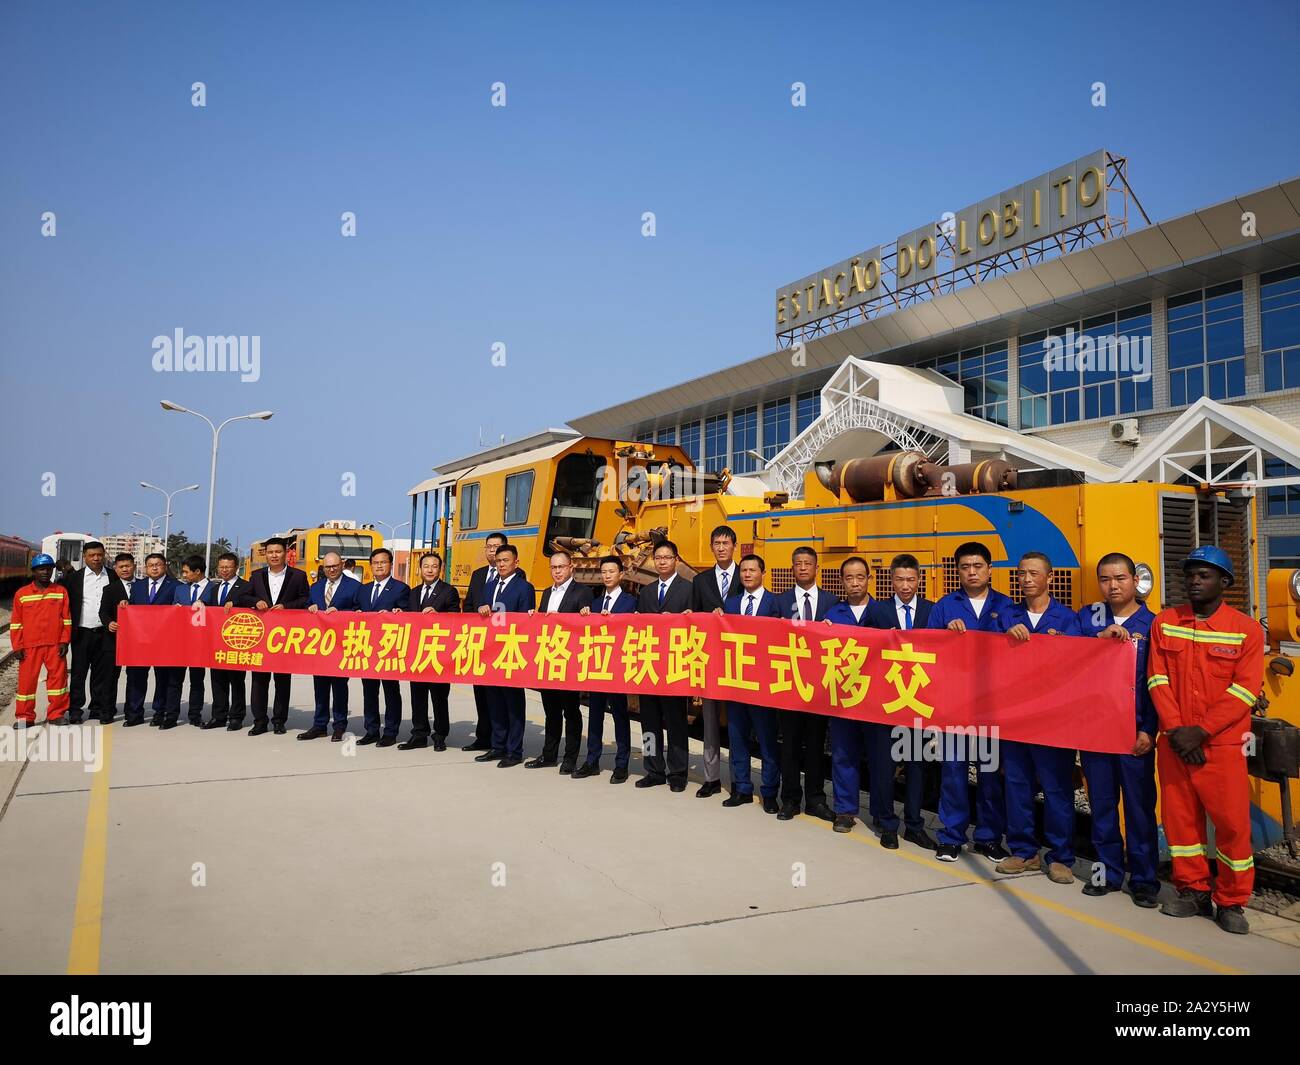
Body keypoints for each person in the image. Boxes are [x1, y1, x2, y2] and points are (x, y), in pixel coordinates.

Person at [1147, 546, 1263, 935]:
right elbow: (1157, 679)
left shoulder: (1246, 629)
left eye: (1205, 575)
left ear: (1225, 583)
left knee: (1231, 826)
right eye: (1191, 575)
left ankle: (1231, 902)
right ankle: (1193, 890)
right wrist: (1179, 730)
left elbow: (1245, 690)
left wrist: (1202, 731)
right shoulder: (1165, 622)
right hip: (1176, 742)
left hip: (1221, 746)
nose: (1195, 581)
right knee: (1181, 824)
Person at [1076, 552, 1159, 908]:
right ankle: (1107, 873)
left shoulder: (1153, 624)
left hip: (1134, 733)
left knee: (1139, 809)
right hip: (1097, 731)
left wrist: (1149, 730)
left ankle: (1144, 880)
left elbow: (1158, 684)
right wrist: (1099, 638)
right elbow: (1067, 659)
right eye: (1106, 580)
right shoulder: (1086, 618)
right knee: (1102, 805)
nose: (1113, 586)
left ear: (1134, 581)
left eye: (1120, 578)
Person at [926, 541, 1016, 863]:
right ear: (957, 571)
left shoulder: (1008, 607)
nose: (972, 572)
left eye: (978, 566)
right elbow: (927, 654)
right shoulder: (944, 607)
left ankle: (989, 838)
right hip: (955, 705)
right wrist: (943, 634)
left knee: (990, 775)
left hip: (992, 706)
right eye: (965, 567)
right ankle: (951, 837)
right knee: (953, 772)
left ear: (990, 569)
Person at [994, 552, 1080, 884]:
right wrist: (1005, 635)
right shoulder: (1006, 617)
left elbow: (1081, 663)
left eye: (1033, 573)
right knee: (1017, 785)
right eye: (1021, 574)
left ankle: (1061, 857)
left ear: (1050, 577)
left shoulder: (1068, 619)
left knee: (1057, 787)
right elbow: (984, 653)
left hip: (1052, 721)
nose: (1026, 579)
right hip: (1015, 718)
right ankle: (1023, 851)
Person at [858, 553, 938, 850]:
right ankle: (886, 822)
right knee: (884, 765)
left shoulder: (932, 612)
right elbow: (859, 644)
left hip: (919, 701)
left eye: (911, 579)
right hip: (886, 702)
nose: (905, 586)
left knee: (918, 765)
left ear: (919, 579)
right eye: (900, 580)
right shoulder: (877, 611)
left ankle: (914, 825)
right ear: (890, 580)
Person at [774, 546, 837, 821]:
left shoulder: (832, 602)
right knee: (789, 744)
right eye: (797, 563)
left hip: (820, 687)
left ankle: (815, 799)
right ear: (792, 569)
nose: (802, 568)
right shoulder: (780, 602)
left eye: (807, 563)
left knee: (815, 746)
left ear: (816, 568)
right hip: (789, 685)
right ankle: (789, 799)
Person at [720, 554, 782, 813]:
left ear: (762, 573)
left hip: (763, 686)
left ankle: (769, 792)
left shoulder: (774, 603)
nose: (746, 574)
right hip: (736, 683)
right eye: (743, 570)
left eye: (752, 570)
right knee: (737, 738)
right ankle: (741, 788)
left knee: (767, 741)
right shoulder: (731, 604)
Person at [635, 539, 694, 791]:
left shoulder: (688, 590)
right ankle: (653, 768)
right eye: (658, 558)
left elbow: (696, 625)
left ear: (676, 561)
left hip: (674, 666)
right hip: (649, 666)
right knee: (648, 723)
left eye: (667, 558)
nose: (661, 562)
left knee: (676, 721)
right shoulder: (646, 592)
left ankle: (678, 772)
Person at [527, 550, 592, 772]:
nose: (557, 571)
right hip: (548, 659)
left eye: (561, 567)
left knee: (571, 712)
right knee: (551, 711)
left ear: (571, 567)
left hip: (569, 661)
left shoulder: (582, 592)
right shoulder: (546, 593)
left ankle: (570, 758)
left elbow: (586, 626)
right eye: (553, 567)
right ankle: (549, 755)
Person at [237, 537, 309, 735]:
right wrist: (256, 601)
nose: (274, 555)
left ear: (286, 553)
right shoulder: (257, 575)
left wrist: (287, 606)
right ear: (265, 554)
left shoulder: (298, 576)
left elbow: (305, 599)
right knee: (259, 681)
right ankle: (259, 721)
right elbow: (242, 597)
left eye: (278, 552)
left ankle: (279, 721)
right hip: (261, 637)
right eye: (270, 552)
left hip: (284, 638)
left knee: (282, 681)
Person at [690, 525, 742, 798]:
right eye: (716, 543)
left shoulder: (746, 577)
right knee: (709, 722)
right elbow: (696, 618)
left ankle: (739, 781)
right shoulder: (701, 581)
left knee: (736, 723)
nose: (721, 547)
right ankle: (711, 778)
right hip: (710, 660)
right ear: (711, 547)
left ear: (734, 545)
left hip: (738, 661)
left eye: (725, 543)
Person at [575, 555, 637, 782]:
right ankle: (592, 760)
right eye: (604, 571)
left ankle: (622, 764)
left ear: (621, 575)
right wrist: (585, 616)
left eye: (612, 571)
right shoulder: (594, 602)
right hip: (597, 665)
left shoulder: (630, 602)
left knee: (620, 714)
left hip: (617, 667)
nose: (608, 575)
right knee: (595, 714)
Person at [826, 556, 876, 835]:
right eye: (849, 578)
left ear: (870, 579)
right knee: (843, 754)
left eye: (860, 577)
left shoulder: (883, 614)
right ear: (842, 581)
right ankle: (845, 810)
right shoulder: (833, 615)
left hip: (878, 700)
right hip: (843, 696)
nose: (855, 583)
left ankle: (882, 814)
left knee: (881, 760)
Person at [473, 544, 535, 767]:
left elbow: (526, 623)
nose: (501, 564)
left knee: (513, 705)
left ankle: (514, 751)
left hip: (512, 653)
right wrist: (481, 610)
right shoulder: (489, 587)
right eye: (498, 561)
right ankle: (497, 746)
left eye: (506, 561)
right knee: (494, 703)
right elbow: (480, 614)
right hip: (490, 653)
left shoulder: (524, 588)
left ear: (516, 563)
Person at [299, 551, 362, 741]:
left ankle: (340, 726)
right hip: (320, 646)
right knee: (320, 686)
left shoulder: (355, 587)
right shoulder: (316, 587)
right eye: (328, 567)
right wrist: (309, 608)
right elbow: (308, 607)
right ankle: (319, 725)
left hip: (342, 645)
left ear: (342, 564)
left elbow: (360, 610)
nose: (332, 569)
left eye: (335, 565)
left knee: (340, 686)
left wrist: (342, 612)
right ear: (323, 568)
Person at [402, 551, 460, 751]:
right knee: (417, 696)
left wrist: (439, 615)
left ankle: (440, 735)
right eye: (426, 566)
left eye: (434, 566)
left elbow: (456, 617)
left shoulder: (449, 591)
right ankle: (419, 734)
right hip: (417, 654)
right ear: (419, 569)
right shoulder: (414, 592)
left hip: (439, 654)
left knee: (439, 697)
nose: (429, 569)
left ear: (440, 569)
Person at [355, 547, 410, 747]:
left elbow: (407, 612)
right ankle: (371, 730)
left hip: (389, 649)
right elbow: (354, 611)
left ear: (390, 564)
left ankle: (391, 731)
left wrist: (398, 612)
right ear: (371, 566)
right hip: (367, 648)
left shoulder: (400, 588)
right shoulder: (363, 589)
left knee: (391, 691)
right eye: (375, 563)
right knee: (369, 691)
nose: (379, 566)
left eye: (383, 562)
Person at [11, 554, 71, 725]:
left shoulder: (61, 592)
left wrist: (64, 641)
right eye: (41, 569)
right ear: (34, 571)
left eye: (48, 568)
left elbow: (66, 619)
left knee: (58, 681)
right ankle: (24, 717)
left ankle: (56, 714)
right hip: (30, 646)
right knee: (26, 684)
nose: (45, 572)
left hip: (54, 645)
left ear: (53, 570)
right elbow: (16, 623)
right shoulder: (22, 594)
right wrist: (18, 646)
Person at [461, 532, 507, 752]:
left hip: (501, 645)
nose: (492, 550)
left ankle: (501, 739)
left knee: (499, 696)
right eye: (489, 547)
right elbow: (469, 605)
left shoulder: (517, 575)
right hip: (479, 644)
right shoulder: (479, 575)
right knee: (480, 693)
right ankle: (483, 737)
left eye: (497, 547)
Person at [123, 553, 180, 727]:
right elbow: (132, 609)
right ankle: (134, 713)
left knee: (162, 678)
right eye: (151, 565)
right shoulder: (138, 586)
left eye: (158, 564)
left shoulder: (176, 586)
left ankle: (159, 712)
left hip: (164, 641)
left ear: (165, 566)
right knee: (136, 677)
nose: (154, 568)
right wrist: (126, 605)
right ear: (145, 567)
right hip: (140, 640)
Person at [62, 540, 113, 724]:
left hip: (105, 634)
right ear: (85, 557)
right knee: (78, 673)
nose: (96, 559)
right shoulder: (74, 578)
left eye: (99, 555)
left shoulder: (113, 577)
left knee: (100, 673)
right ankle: (75, 709)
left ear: (104, 555)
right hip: (82, 633)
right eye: (92, 555)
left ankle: (96, 708)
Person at [202, 552, 251, 730]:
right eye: (221, 567)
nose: (224, 570)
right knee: (217, 680)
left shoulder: (245, 586)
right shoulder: (214, 588)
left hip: (237, 641)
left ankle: (237, 716)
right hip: (216, 643)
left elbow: (249, 604)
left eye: (228, 567)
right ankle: (218, 716)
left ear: (236, 568)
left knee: (237, 681)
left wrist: (235, 603)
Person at [98, 552, 138, 723]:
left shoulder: (142, 586)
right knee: (110, 678)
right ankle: (107, 712)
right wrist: (109, 623)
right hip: (113, 639)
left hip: (137, 641)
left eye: (128, 566)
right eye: (121, 567)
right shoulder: (110, 589)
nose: (125, 569)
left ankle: (133, 712)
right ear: (115, 568)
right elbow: (103, 611)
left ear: (134, 566)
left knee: (135, 678)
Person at [172, 554, 210, 727]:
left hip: (201, 643)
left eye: (187, 572)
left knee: (197, 680)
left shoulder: (213, 588)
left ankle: (195, 715)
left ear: (197, 571)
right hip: (180, 642)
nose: (184, 575)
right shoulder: (180, 590)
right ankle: (171, 715)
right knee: (175, 680)